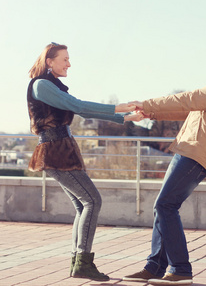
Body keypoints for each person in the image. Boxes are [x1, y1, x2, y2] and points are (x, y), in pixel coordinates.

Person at [123, 33, 206, 285]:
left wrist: (147, 102)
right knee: (162, 206)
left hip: (197, 151)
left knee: (165, 205)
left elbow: (191, 98)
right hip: (191, 147)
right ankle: (155, 266)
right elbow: (191, 108)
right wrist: (148, 112)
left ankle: (180, 269)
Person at [27, 42, 142, 282]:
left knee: (83, 205)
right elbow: (78, 106)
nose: (69, 63)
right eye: (65, 58)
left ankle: (78, 263)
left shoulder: (53, 86)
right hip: (55, 150)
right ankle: (83, 263)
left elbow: (83, 111)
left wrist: (125, 117)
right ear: (50, 61)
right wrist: (118, 106)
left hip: (63, 149)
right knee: (92, 201)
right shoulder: (41, 85)